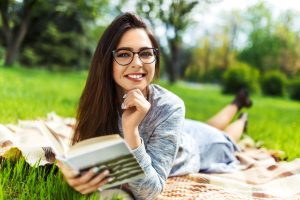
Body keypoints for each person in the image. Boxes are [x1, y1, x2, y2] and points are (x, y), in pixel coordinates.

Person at [56, 12, 252, 200]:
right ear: (107, 61)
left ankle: (241, 117)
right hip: (178, 130)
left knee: (224, 138)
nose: (137, 63)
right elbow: (81, 154)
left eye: (145, 53)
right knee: (208, 124)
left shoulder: (171, 107)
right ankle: (238, 103)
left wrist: (131, 131)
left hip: (200, 147)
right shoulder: (97, 99)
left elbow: (148, 193)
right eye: (124, 54)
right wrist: (69, 172)